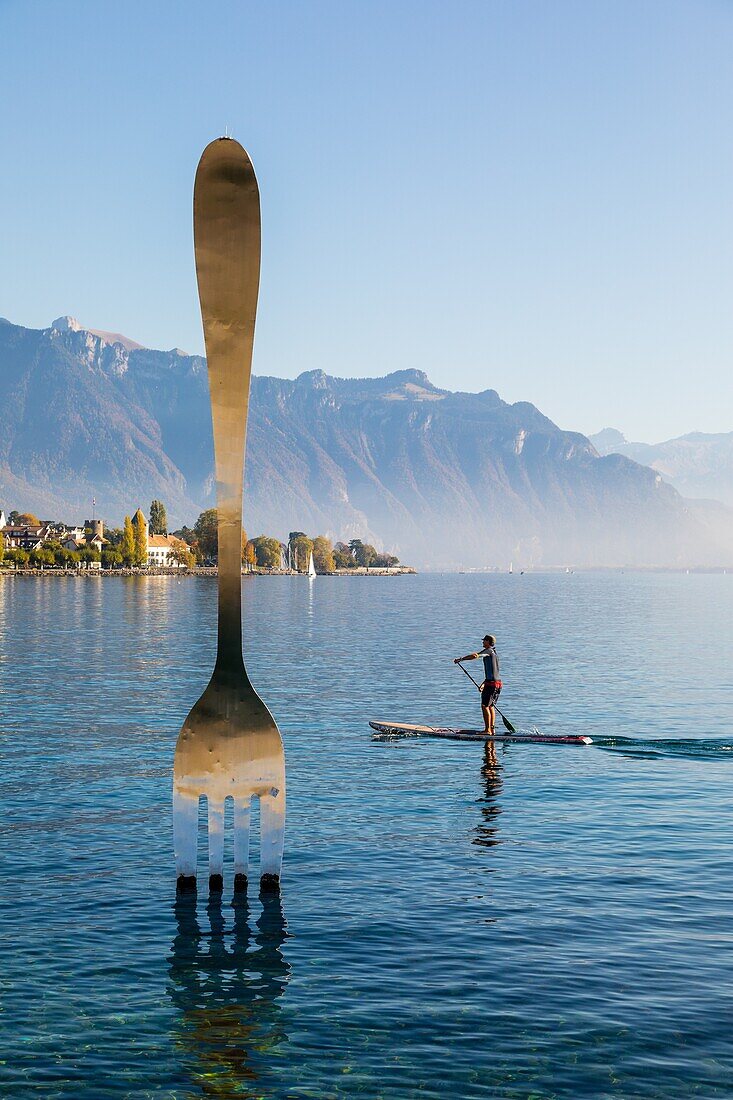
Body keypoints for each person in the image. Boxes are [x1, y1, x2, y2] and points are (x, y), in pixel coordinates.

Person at [454, 634, 503, 735]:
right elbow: (492, 673)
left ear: (488, 642)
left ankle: (487, 730)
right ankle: (492, 729)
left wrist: (461, 659)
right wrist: (483, 684)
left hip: (491, 685)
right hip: (496, 684)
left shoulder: (488, 651)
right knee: (491, 706)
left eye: (484, 640)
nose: (482, 642)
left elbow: (475, 656)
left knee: (485, 706)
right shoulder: (493, 653)